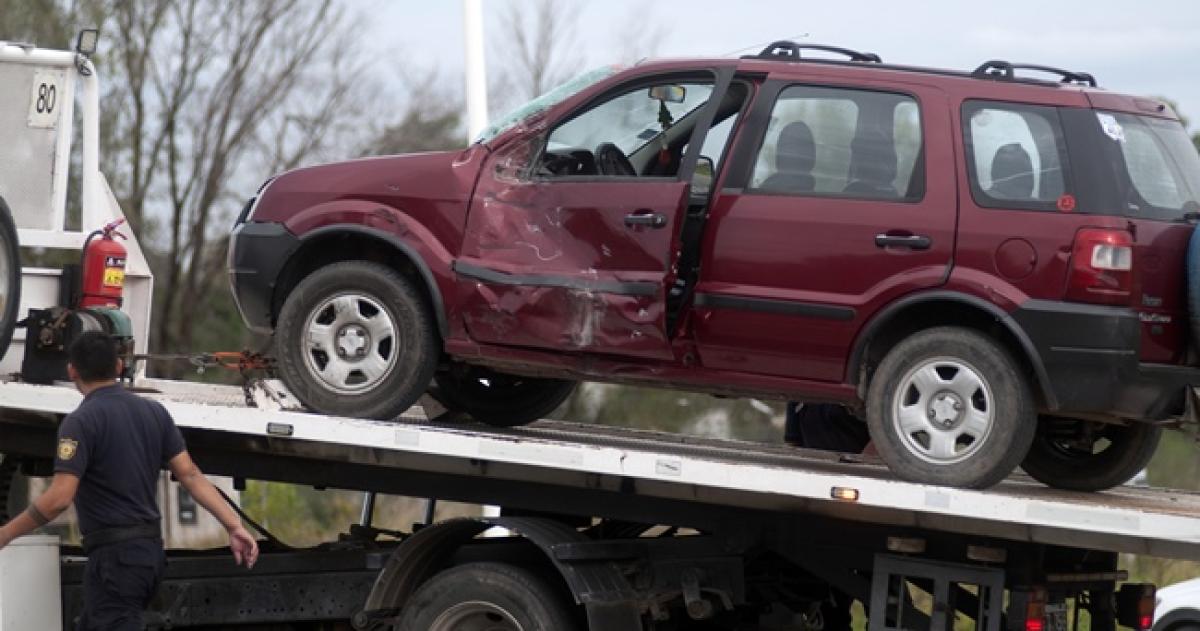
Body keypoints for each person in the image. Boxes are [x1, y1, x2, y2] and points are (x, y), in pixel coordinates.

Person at [0, 331, 259, 630]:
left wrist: (6, 534)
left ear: (72, 371)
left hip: (116, 559)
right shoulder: (154, 412)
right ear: (119, 367)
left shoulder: (80, 422)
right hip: (148, 553)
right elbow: (190, 474)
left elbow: (59, 498)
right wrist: (234, 525)